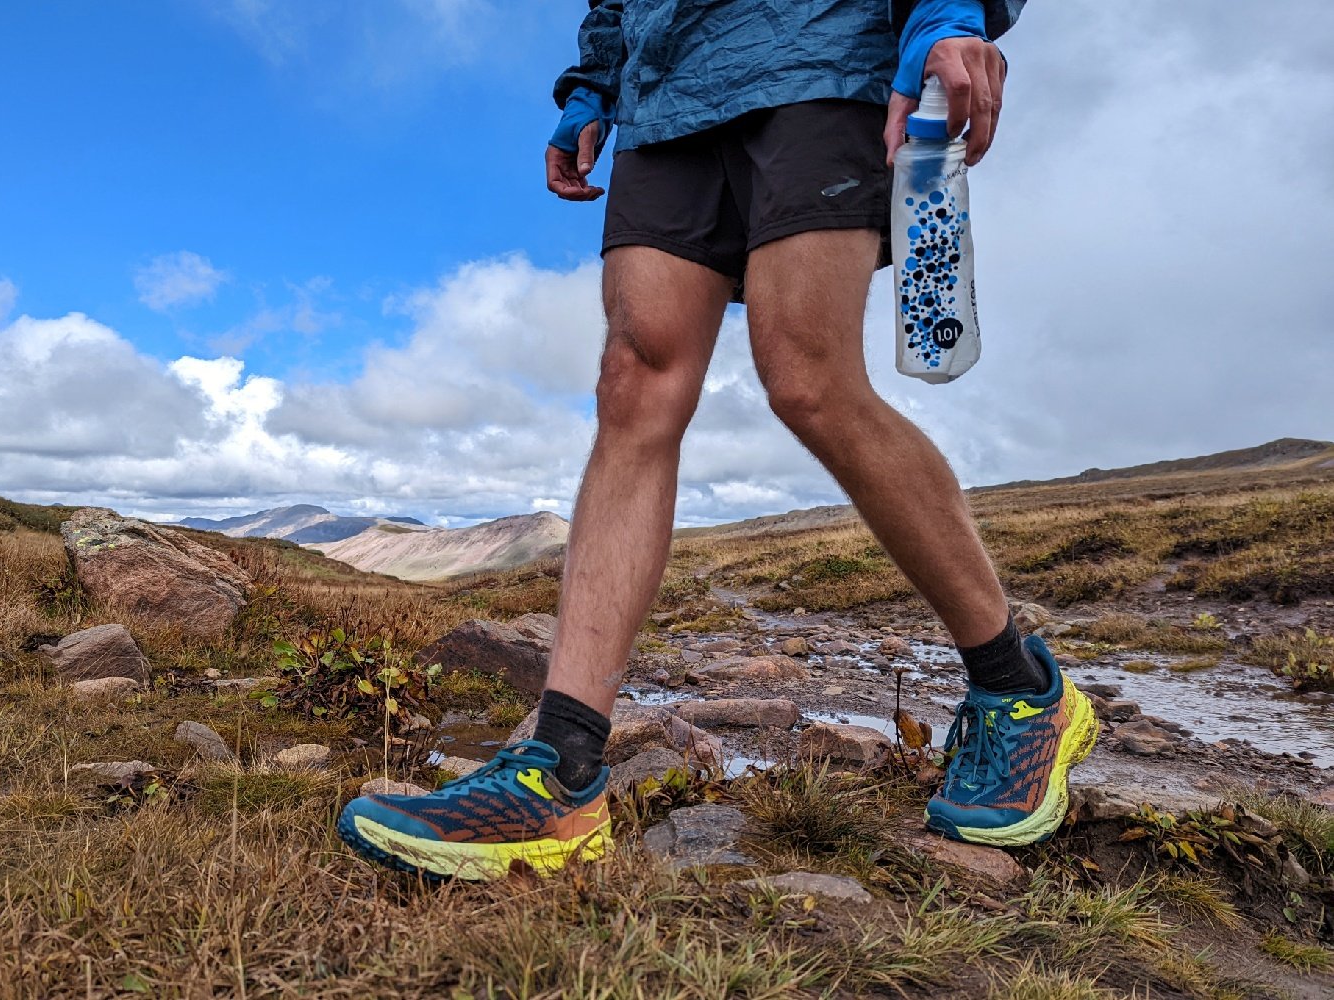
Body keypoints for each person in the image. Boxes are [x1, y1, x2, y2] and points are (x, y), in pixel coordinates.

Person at [338, 0, 1098, 881]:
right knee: (634, 383)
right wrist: (593, 85)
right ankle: (562, 772)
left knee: (810, 378)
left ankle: (1018, 686)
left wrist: (947, 11)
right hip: (665, 98)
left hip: (823, 58)